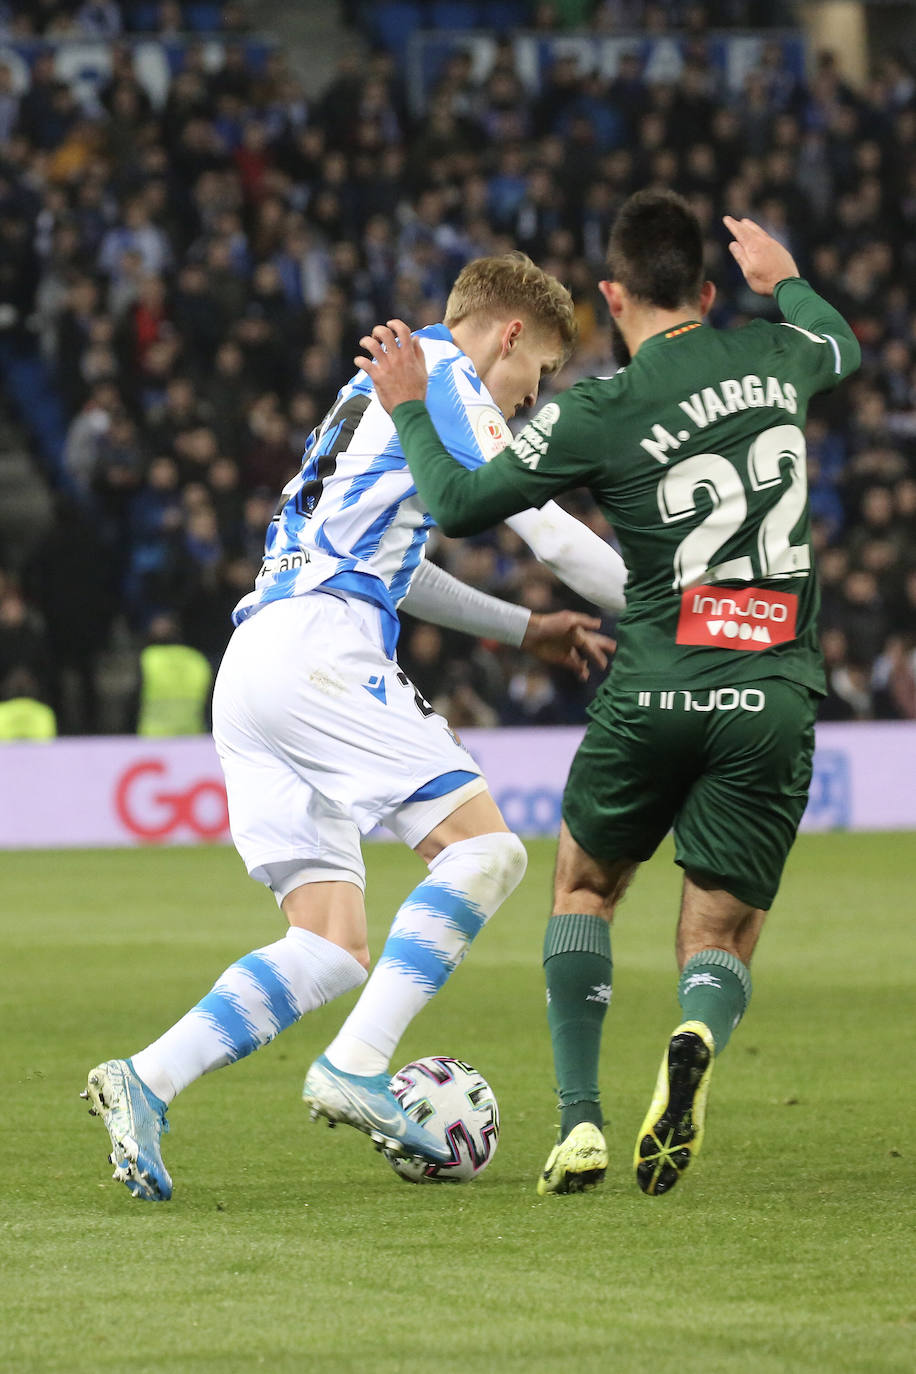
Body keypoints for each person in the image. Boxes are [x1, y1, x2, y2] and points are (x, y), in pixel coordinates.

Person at [82, 252, 628, 1201]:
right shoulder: (450, 377)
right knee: (487, 854)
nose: (531, 399)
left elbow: (401, 565)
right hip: (320, 648)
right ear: (508, 336)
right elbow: (542, 526)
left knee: (330, 944)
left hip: (256, 658)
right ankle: (357, 1064)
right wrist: (672, 609)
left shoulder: (378, 387)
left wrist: (521, 627)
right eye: (535, 375)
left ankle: (147, 1077)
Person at [352, 193, 861, 1198]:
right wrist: (786, 277)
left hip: (653, 684)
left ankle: (580, 1125)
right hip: (769, 691)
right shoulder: (777, 355)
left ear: (610, 294)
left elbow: (454, 505)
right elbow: (837, 342)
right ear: (711, 292)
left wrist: (409, 401)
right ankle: (693, 1029)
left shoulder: (596, 407)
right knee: (717, 936)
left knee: (583, 886)